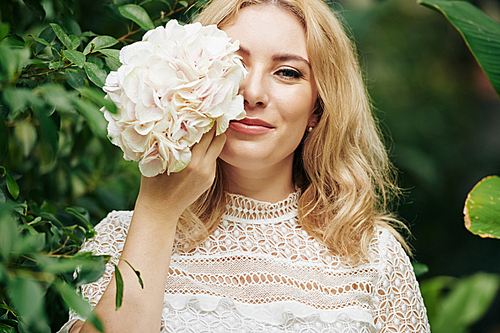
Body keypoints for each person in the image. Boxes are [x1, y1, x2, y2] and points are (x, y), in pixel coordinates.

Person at [59, 0, 430, 332]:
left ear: (318, 107)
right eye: (234, 63)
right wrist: (157, 214)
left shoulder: (373, 256)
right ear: (188, 79)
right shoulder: (120, 238)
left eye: (287, 72)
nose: (252, 93)